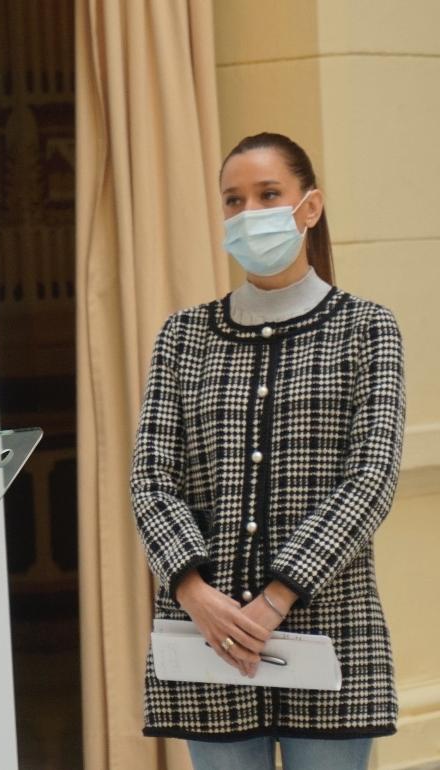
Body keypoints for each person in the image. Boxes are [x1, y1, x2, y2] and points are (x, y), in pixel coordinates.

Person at [131, 132, 405, 769]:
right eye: (233, 200)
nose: (249, 213)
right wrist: (196, 594)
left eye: (268, 194)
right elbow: (151, 479)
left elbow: (372, 476)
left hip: (331, 636)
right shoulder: (183, 335)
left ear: (309, 207)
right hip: (206, 642)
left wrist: (276, 598)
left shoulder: (367, 328)